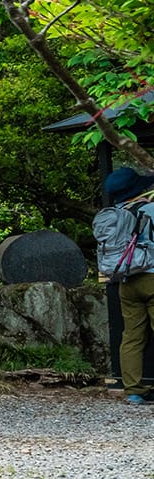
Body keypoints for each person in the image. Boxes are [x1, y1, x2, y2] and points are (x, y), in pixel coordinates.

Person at [100, 167, 154, 403]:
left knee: (131, 337)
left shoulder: (113, 214)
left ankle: (133, 391)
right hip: (152, 277)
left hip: (126, 281)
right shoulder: (150, 209)